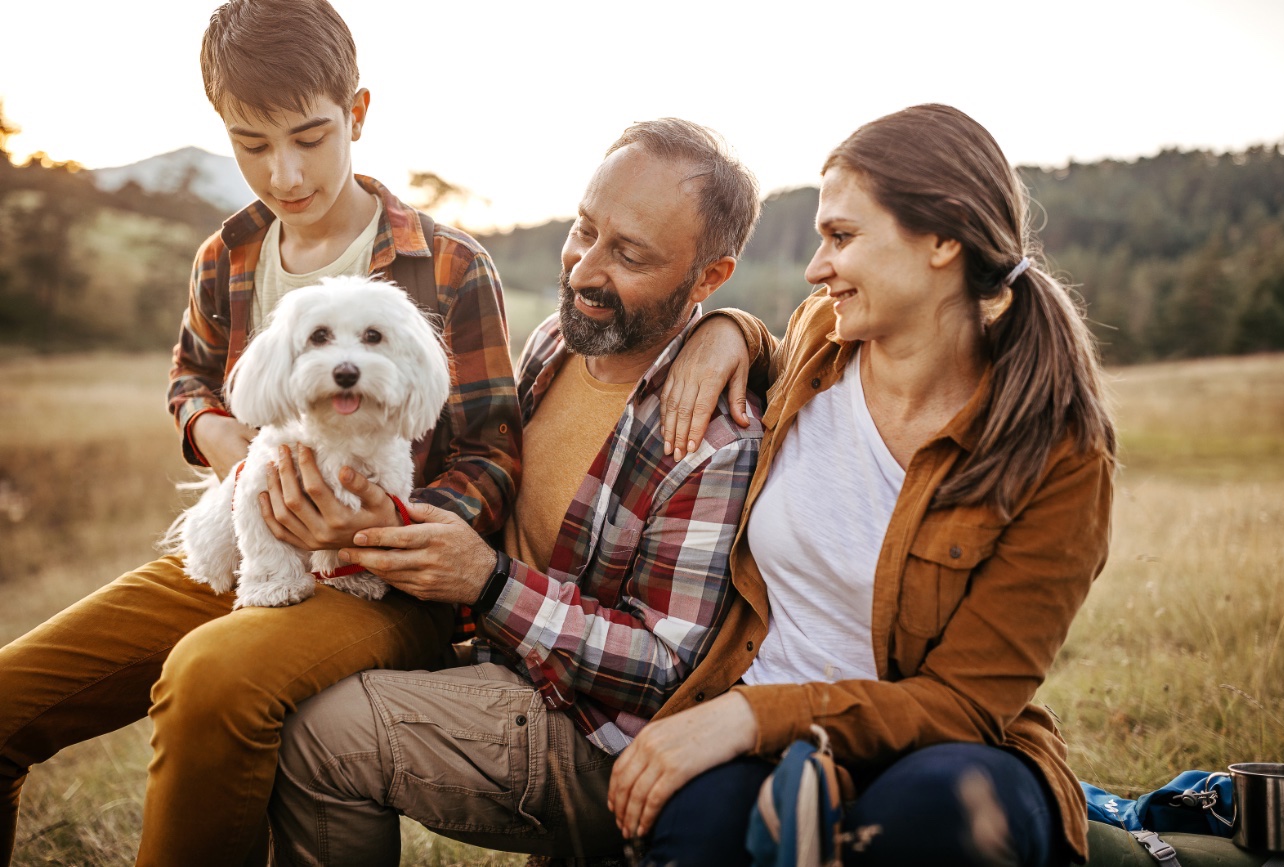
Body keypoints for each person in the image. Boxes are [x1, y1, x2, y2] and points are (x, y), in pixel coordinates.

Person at [0, 2, 521, 865]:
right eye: (252, 144)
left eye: (310, 137)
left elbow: (495, 451)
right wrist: (233, 449)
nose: (283, 172)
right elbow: (190, 380)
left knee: (208, 678)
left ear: (357, 113)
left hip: (387, 584)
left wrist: (377, 526)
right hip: (244, 543)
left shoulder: (451, 266)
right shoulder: (226, 254)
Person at [607, 104, 1117, 866]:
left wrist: (752, 716)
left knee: (946, 816)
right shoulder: (821, 341)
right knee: (693, 826)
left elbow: (966, 702)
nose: (817, 267)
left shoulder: (1059, 455)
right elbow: (769, 352)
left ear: (944, 238)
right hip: (759, 733)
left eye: (841, 238)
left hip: (942, 751)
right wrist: (729, 329)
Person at [264, 118, 765, 864]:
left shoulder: (715, 440)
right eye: (584, 229)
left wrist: (490, 582)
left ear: (709, 279)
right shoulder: (555, 346)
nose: (585, 269)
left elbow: (668, 669)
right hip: (492, 662)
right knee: (263, 671)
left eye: (628, 254)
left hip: (597, 735)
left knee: (318, 734)